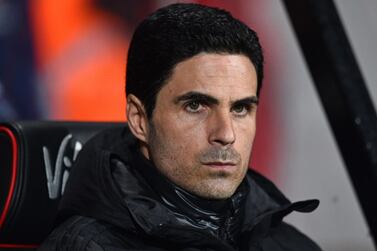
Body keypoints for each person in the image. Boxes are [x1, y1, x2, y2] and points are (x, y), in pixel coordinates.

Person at [39, 3, 322, 251]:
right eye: (196, 106)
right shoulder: (86, 245)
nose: (226, 134)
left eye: (240, 108)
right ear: (139, 119)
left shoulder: (290, 244)